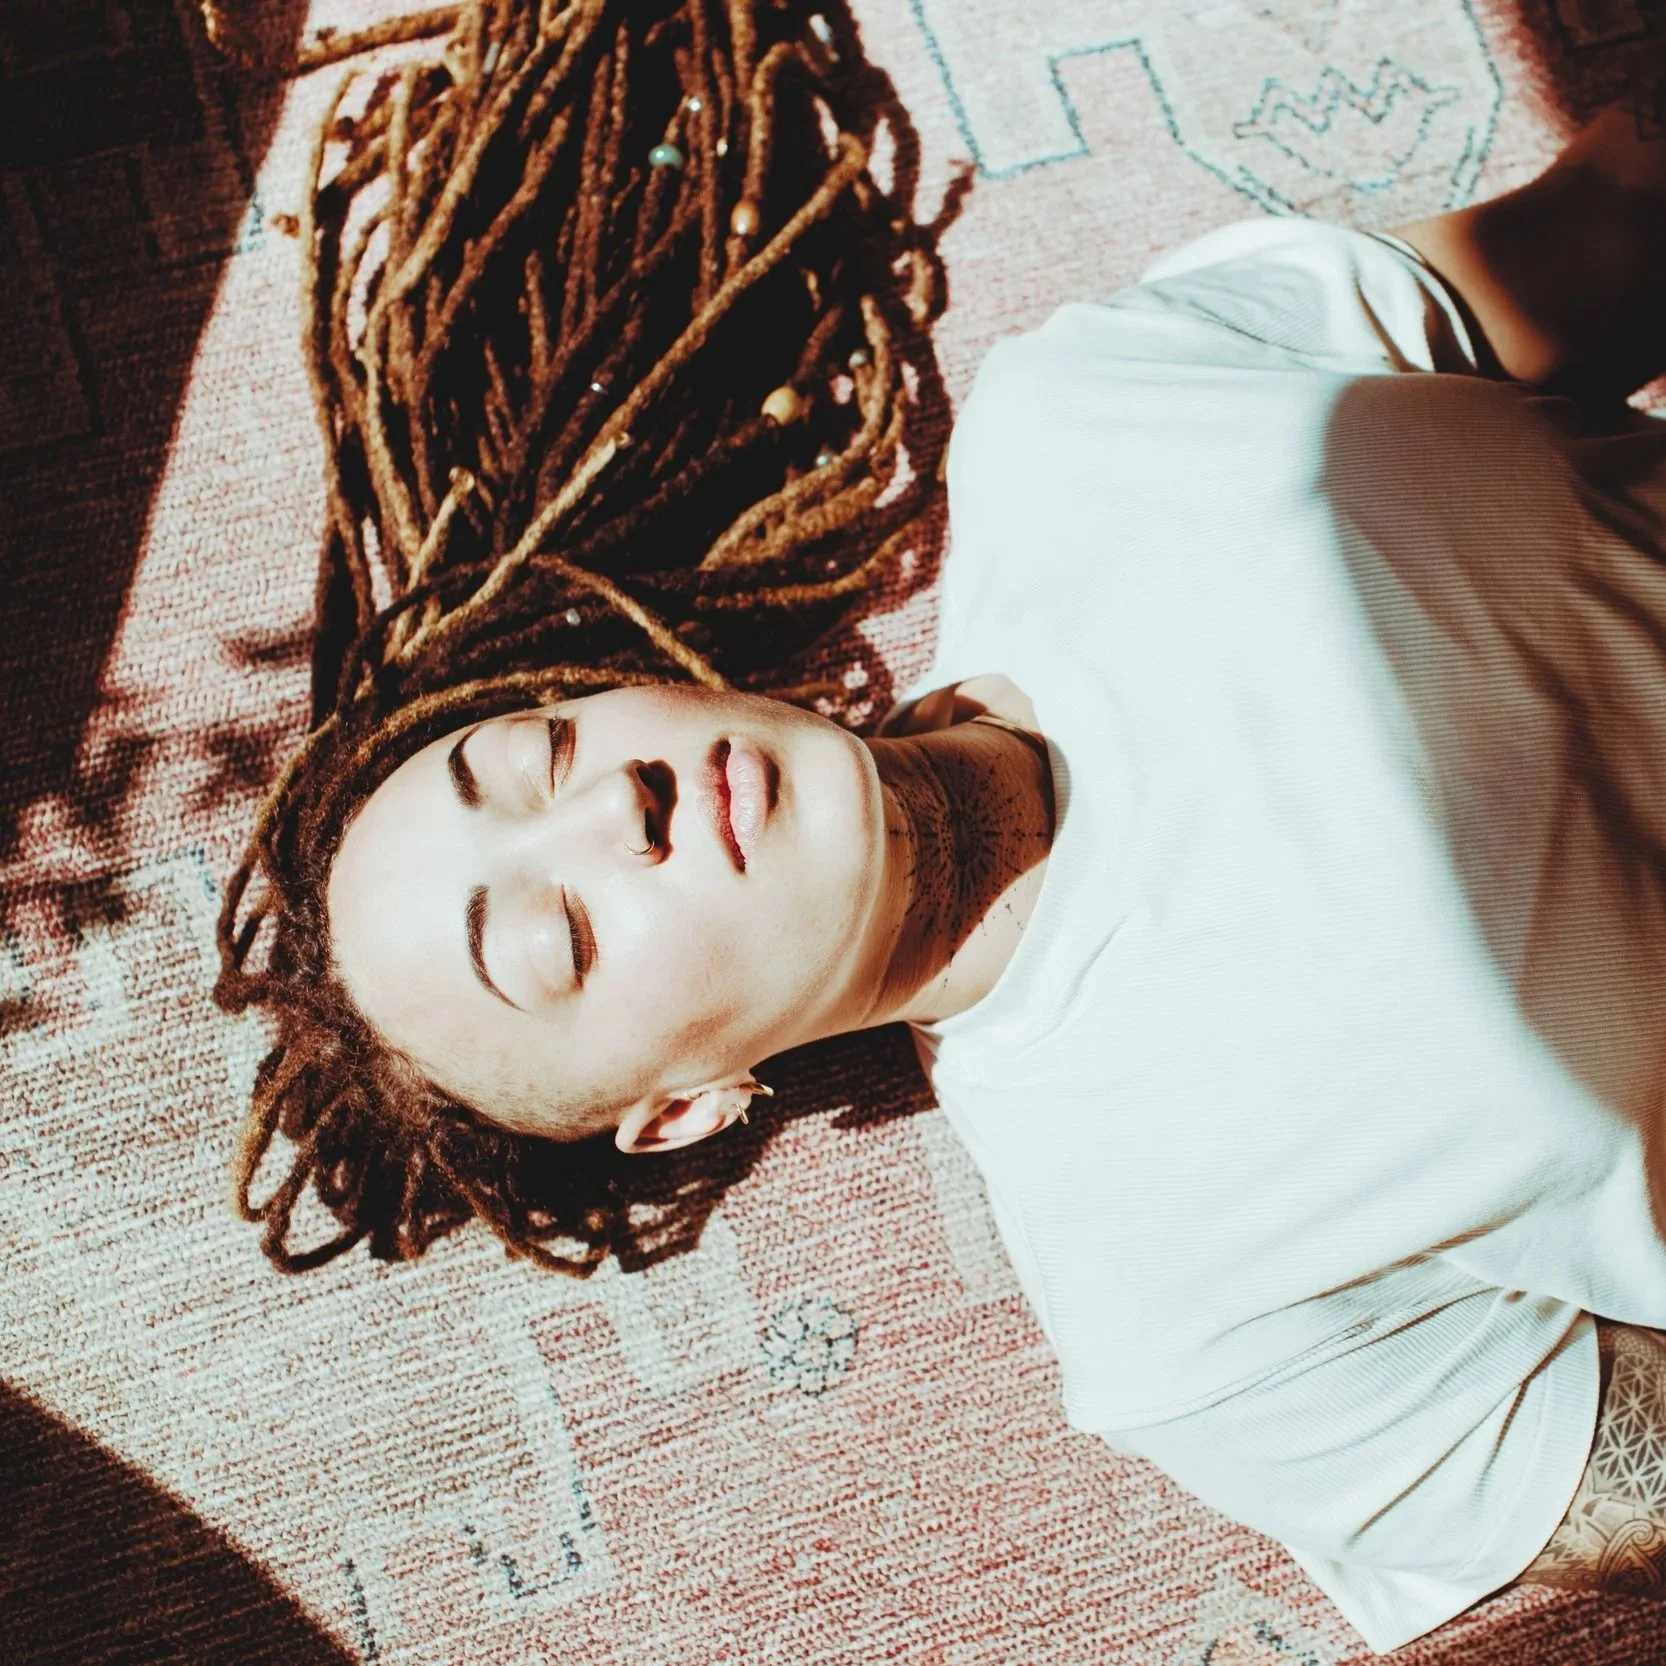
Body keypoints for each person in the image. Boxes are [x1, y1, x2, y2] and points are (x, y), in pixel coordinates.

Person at [229, 64, 1666, 1653]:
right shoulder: (1183, 1315)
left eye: (541, 752)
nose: (613, 810)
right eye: (558, 935)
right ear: (682, 1107)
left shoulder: (1081, 412)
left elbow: (1610, 228)